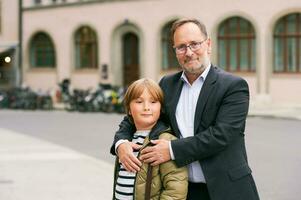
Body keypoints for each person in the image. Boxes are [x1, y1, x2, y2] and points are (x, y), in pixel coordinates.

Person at [110, 18, 260, 200]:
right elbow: (136, 116)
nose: (189, 52)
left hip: (226, 189)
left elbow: (223, 134)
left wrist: (172, 149)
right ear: (175, 51)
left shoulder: (233, 86)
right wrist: (121, 144)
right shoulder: (167, 84)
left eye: (195, 44)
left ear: (209, 44)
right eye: (181, 47)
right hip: (183, 192)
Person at [112, 78, 188, 200]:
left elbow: (175, 191)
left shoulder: (165, 142)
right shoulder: (126, 143)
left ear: (161, 108)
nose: (146, 107)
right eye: (139, 102)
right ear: (129, 110)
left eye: (153, 102)